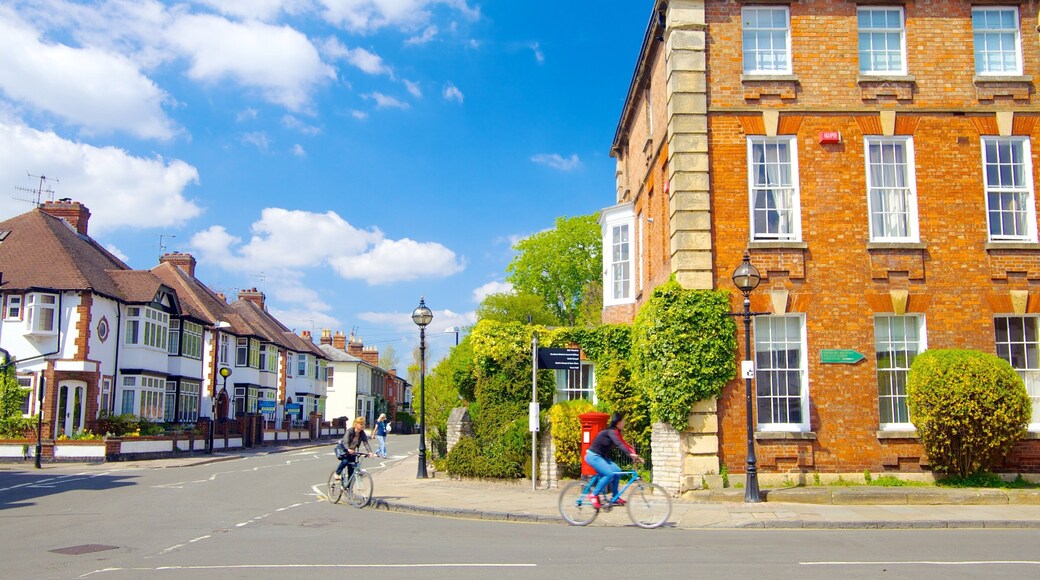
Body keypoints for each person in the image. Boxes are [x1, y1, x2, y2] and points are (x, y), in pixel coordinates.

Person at [585, 412, 642, 509]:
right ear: (618, 422)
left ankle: (615, 497)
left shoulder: (617, 432)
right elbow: (619, 444)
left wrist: (634, 455)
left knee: (617, 471)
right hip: (593, 456)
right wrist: (630, 454)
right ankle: (594, 495)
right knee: (609, 474)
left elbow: (624, 444)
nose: (625, 422)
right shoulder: (611, 431)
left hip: (601, 457)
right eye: (623, 421)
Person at [336, 417, 373, 484]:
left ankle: (349, 490)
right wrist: (348, 449)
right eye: (361, 424)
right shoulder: (350, 431)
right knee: (345, 461)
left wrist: (370, 452)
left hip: (352, 452)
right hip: (344, 450)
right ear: (356, 424)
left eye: (363, 424)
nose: (363, 425)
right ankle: (337, 473)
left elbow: (365, 442)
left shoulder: (362, 433)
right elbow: (345, 441)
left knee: (351, 471)